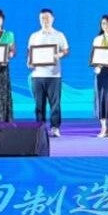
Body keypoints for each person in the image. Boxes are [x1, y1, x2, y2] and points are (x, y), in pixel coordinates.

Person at [27, 8, 69, 137]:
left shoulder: (59, 35)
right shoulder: (34, 36)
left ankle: (55, 127)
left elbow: (66, 50)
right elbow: (30, 53)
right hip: (37, 75)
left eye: (47, 18)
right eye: (42, 18)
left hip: (54, 75)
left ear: (53, 19)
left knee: (55, 104)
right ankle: (40, 127)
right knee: (39, 104)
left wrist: (59, 55)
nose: (45, 20)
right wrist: (29, 62)